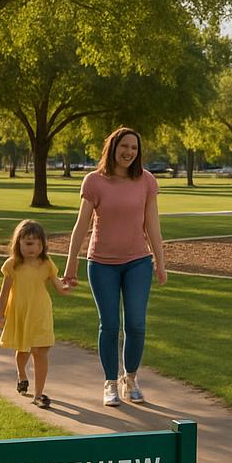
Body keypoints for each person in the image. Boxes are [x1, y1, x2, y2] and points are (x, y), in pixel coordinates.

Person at [63, 127, 167, 407]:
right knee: (109, 325)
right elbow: (81, 225)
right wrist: (71, 262)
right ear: (113, 147)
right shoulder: (94, 181)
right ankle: (110, 382)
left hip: (138, 262)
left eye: (134, 148)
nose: (129, 152)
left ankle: (130, 380)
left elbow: (152, 224)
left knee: (136, 324)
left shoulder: (146, 181)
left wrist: (160, 260)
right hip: (101, 265)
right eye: (125, 146)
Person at [0, 219, 72, 409]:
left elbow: (60, 287)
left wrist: (67, 286)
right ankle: (22, 374)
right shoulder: (12, 265)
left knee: (40, 351)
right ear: (18, 242)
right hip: (20, 313)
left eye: (38, 243)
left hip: (41, 312)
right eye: (29, 243)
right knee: (23, 351)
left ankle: (38, 395)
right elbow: (4, 293)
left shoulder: (46, 263)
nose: (34, 248)